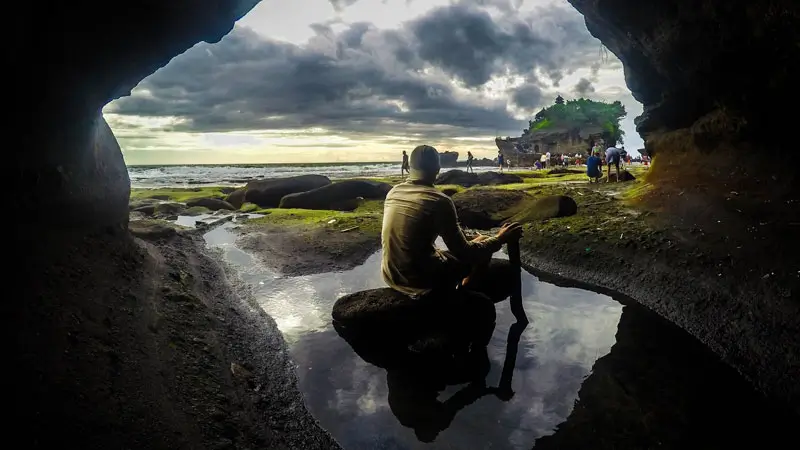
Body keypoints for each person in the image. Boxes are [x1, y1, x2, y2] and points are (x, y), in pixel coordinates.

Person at [381, 145, 523, 298]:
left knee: (479, 240)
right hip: (418, 281)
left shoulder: (393, 192)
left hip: (390, 275)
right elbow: (465, 252)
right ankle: (464, 294)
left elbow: (416, 235)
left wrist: (467, 237)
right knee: (482, 250)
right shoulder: (439, 201)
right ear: (438, 168)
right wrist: (500, 238)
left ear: (409, 166)